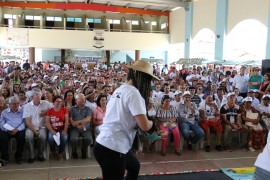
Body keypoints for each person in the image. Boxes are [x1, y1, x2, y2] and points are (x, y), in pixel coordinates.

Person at [93, 60, 159, 180]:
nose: (149, 83)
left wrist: (143, 111)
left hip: (107, 143)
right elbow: (144, 126)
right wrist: (153, 124)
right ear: (143, 77)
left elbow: (126, 114)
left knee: (134, 167)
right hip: (112, 147)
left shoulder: (121, 89)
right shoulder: (134, 93)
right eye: (148, 79)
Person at [23, 88, 53, 163]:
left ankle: (40, 154)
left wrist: (46, 111)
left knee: (42, 137)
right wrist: (34, 131)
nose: (39, 96)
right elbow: (28, 121)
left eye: (40, 95)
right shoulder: (27, 106)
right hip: (31, 127)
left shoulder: (45, 103)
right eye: (36, 95)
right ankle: (31, 155)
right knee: (28, 137)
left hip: (42, 127)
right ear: (32, 97)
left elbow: (55, 108)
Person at [0, 96, 25, 164]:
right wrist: (7, 130)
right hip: (7, 130)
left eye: (17, 103)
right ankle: (5, 157)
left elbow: (24, 123)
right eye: (14, 103)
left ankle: (18, 157)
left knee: (21, 137)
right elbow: (1, 124)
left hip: (18, 130)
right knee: (2, 138)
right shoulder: (4, 112)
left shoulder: (22, 112)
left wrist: (17, 129)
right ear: (9, 104)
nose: (16, 105)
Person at [69, 93, 92, 159]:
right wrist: (76, 125)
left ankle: (84, 150)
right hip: (74, 129)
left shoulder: (88, 109)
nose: (83, 100)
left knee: (88, 139)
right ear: (76, 100)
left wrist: (77, 122)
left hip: (86, 128)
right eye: (81, 99)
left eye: (84, 99)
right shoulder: (72, 109)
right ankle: (74, 150)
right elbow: (71, 121)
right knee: (73, 139)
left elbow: (88, 119)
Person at [46, 96, 68, 161]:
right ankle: (53, 151)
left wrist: (65, 130)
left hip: (61, 128)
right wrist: (52, 131)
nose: (59, 103)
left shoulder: (64, 110)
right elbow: (47, 122)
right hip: (52, 129)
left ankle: (60, 153)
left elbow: (66, 121)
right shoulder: (50, 111)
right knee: (50, 138)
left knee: (64, 138)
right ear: (53, 102)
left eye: (60, 102)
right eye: (57, 101)